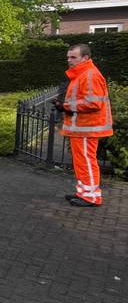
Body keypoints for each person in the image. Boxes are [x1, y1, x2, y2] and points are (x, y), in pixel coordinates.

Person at [53, 44, 113, 207]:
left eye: (73, 57)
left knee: (86, 161)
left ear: (85, 58)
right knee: (82, 162)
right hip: (83, 128)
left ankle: (92, 197)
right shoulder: (83, 74)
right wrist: (64, 105)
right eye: (68, 57)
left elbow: (92, 103)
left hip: (87, 128)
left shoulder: (89, 75)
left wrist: (65, 106)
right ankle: (84, 193)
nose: (69, 60)